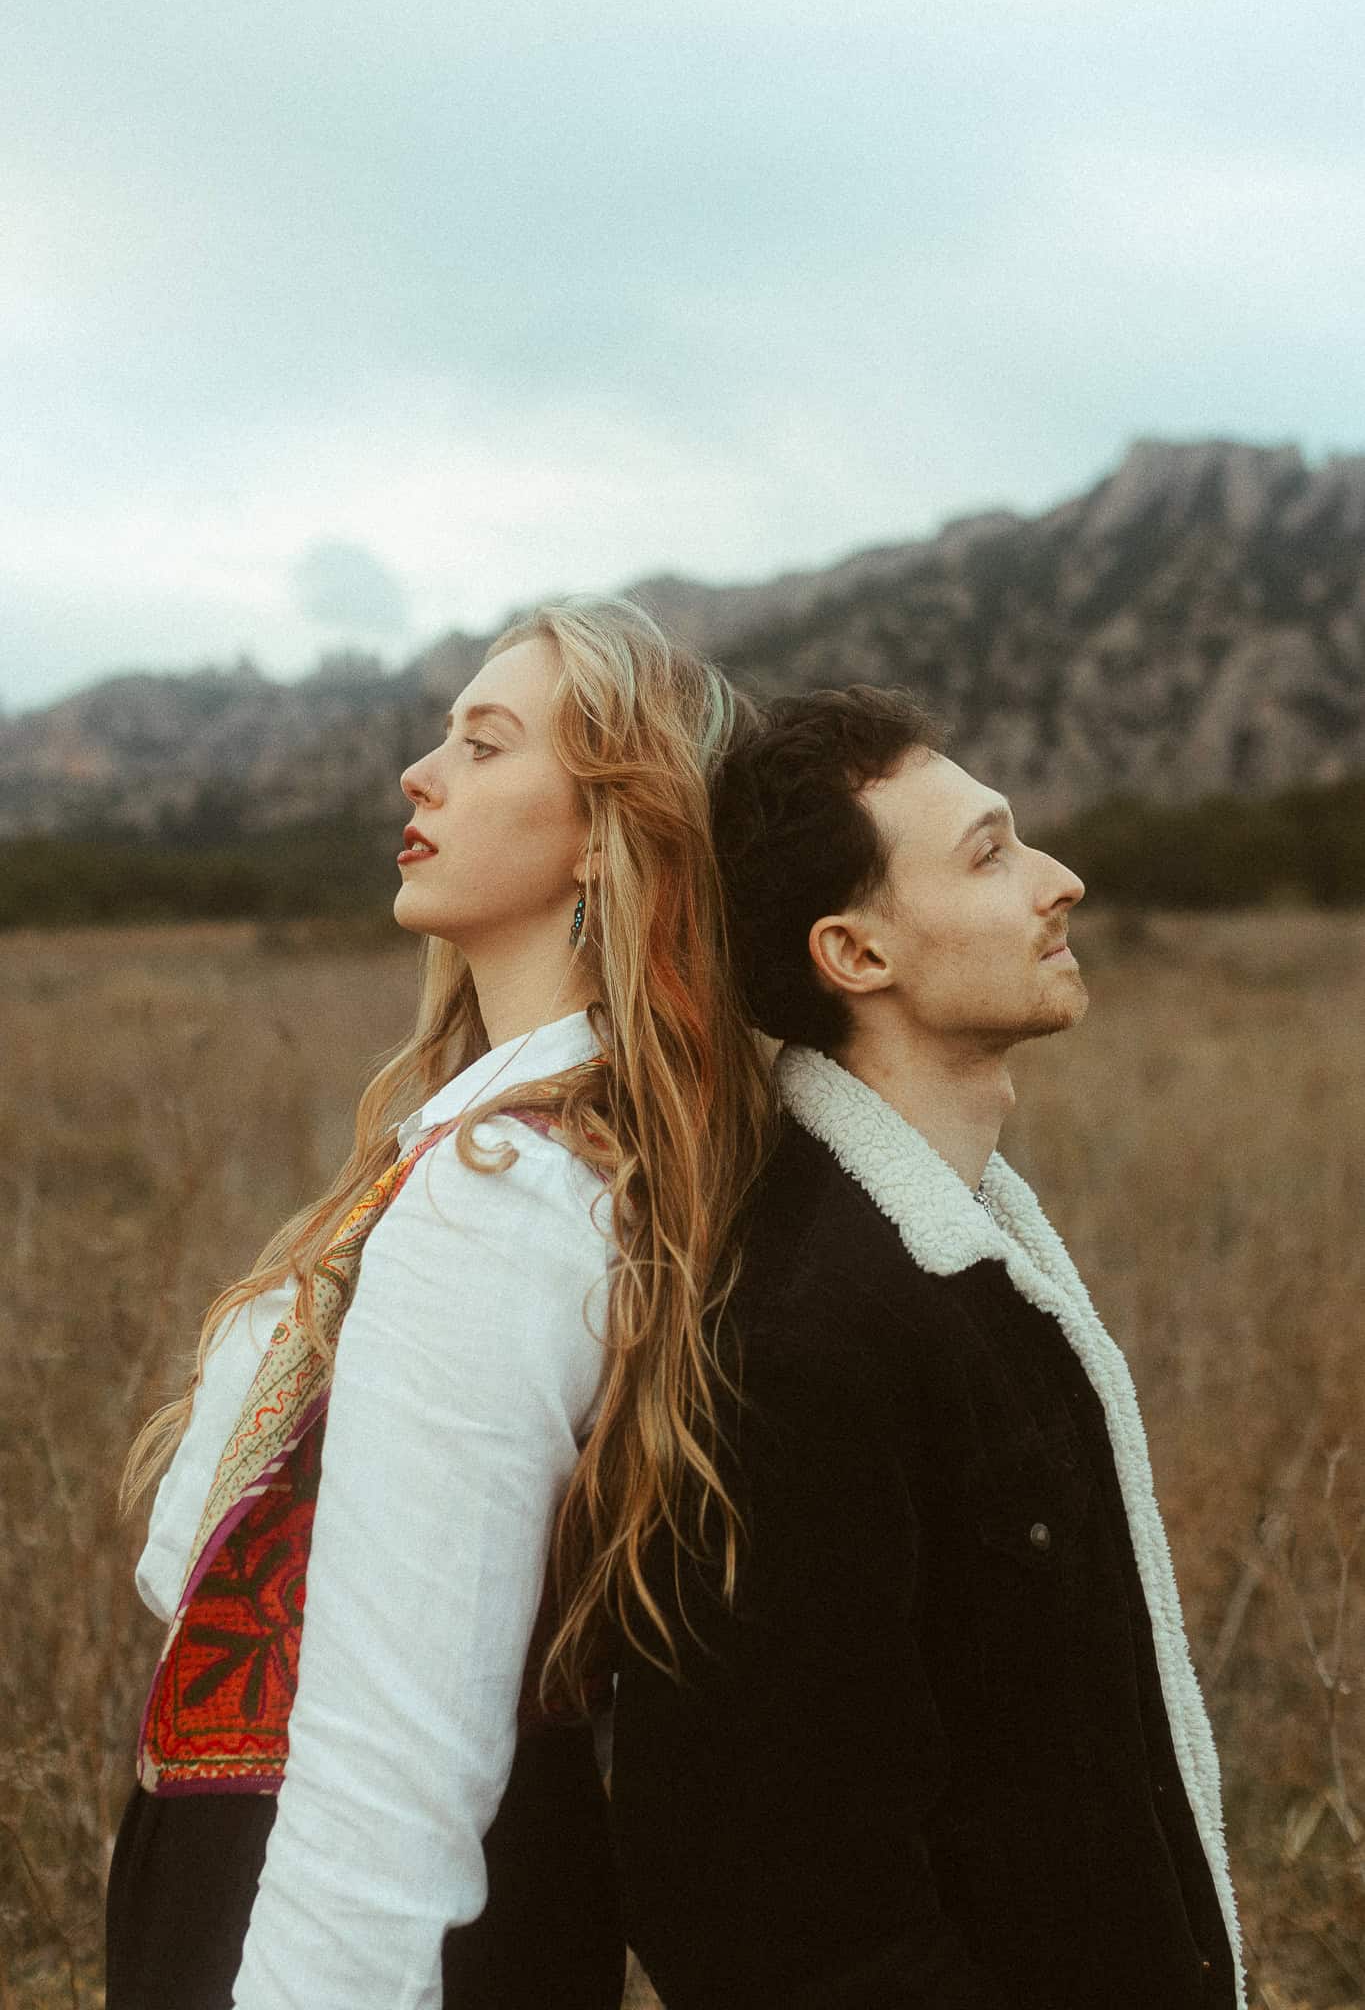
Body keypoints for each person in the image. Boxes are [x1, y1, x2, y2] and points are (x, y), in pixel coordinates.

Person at [105, 597, 775, 2010]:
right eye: (441, 738)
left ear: (608, 830)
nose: (420, 773)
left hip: (349, 1915)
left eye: (484, 744)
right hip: (335, 1868)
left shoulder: (506, 1187)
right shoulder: (489, 1138)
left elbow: (398, 1753)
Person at [609, 684, 1249, 2010]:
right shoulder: (803, 1337)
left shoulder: (961, 1252)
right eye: (991, 852)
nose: (1059, 881)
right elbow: (771, 1915)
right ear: (855, 956)